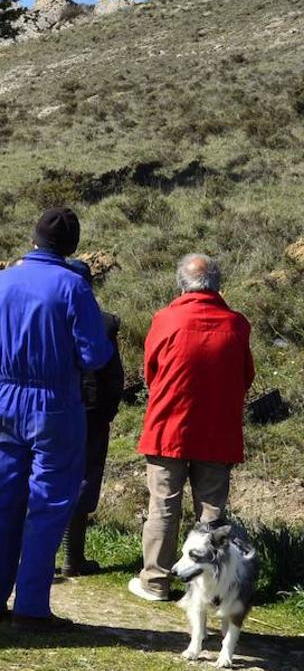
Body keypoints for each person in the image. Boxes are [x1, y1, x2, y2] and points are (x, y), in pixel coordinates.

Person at [0, 207, 113, 629]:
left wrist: (0, 372)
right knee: (48, 503)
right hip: (54, 403)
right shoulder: (72, 287)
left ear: (33, 240)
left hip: (4, 400)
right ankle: (31, 605)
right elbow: (94, 354)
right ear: (72, 247)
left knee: (1, 499)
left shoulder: (0, 281)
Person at [128, 254, 254, 603]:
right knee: (212, 513)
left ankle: (155, 580)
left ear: (182, 283)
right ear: (217, 284)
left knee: (163, 507)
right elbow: (246, 376)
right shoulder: (237, 325)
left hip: (169, 426)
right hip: (218, 431)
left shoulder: (166, 319)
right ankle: (212, 588)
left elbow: (151, 372)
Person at [63, 259, 124, 576]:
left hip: (53, 407)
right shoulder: (104, 322)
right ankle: (73, 557)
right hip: (91, 412)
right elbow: (115, 377)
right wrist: (107, 412)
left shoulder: (49, 313)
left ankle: (39, 555)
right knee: (84, 479)